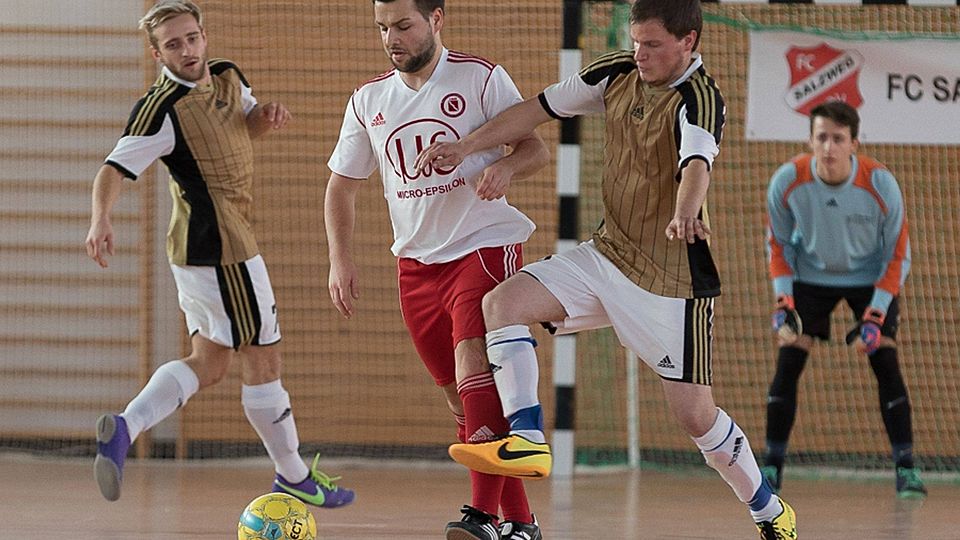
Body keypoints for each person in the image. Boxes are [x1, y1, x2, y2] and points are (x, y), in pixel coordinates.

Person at [416, 0, 799, 537]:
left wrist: (687, 210)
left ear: (688, 42)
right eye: (636, 41)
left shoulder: (700, 98)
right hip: (607, 255)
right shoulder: (617, 72)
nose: (639, 53)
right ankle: (527, 436)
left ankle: (768, 510)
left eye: (653, 45)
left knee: (696, 418)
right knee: (501, 303)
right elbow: (536, 109)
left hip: (672, 285)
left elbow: (696, 162)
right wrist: (467, 145)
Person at [85, 0, 354, 509]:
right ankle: (293, 475)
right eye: (172, 44)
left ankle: (125, 427)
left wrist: (264, 117)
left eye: (191, 38)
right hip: (222, 250)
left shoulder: (227, 76)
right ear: (155, 53)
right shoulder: (160, 109)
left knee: (209, 361)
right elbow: (113, 169)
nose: (185, 50)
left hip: (203, 250)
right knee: (264, 356)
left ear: (204, 36)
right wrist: (101, 217)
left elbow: (242, 124)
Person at [324, 1, 549, 538]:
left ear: (436, 19)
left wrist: (503, 167)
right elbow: (341, 185)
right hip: (417, 264)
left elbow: (534, 147)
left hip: (484, 243)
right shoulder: (367, 100)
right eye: (382, 28)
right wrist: (340, 258)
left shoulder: (480, 78)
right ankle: (522, 522)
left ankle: (481, 516)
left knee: (474, 360)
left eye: (403, 25)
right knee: (460, 396)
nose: (391, 38)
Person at [763, 100, 926, 499]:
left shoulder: (880, 183)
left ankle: (906, 469)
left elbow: (897, 255)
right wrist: (784, 302)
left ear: (854, 143)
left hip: (869, 278)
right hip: (810, 277)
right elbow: (779, 247)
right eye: (821, 138)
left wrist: (875, 315)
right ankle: (771, 467)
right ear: (810, 140)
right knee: (788, 362)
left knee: (885, 361)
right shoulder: (787, 181)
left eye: (838, 139)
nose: (829, 148)